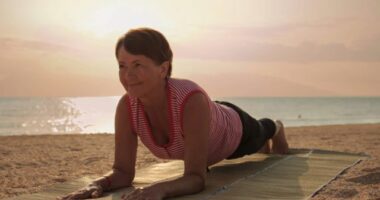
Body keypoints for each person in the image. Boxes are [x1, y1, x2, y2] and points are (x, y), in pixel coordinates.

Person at [58, 27, 289, 200]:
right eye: (122, 65)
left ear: (163, 68)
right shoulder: (127, 107)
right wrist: (98, 184)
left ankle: (277, 128)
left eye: (137, 64)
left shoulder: (191, 100)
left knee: (261, 131)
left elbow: (197, 178)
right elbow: (123, 172)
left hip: (233, 129)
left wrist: (159, 189)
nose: (128, 75)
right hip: (203, 117)